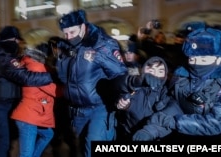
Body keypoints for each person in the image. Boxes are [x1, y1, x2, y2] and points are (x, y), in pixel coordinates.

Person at [57, 9, 156, 157]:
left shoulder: (102, 44)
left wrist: (98, 57)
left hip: (100, 108)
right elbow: (64, 78)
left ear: (83, 27)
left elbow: (120, 72)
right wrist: (61, 59)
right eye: (65, 34)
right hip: (78, 111)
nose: (68, 37)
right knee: (79, 150)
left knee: (93, 148)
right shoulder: (69, 48)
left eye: (72, 32)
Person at [134, 27, 221, 142]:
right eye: (192, 59)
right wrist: (152, 129)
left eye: (203, 60)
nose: (196, 64)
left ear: (219, 60)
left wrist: (176, 122)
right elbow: (175, 104)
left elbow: (218, 122)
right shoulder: (182, 76)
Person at [0, 26, 53, 157]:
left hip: (8, 104)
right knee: (3, 144)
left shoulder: (3, 55)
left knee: (10, 142)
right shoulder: (2, 57)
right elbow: (26, 77)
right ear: (12, 40)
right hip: (3, 105)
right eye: (18, 41)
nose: (19, 44)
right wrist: (53, 76)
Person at [10, 44, 62, 157]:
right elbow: (55, 91)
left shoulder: (29, 63)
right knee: (26, 154)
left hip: (31, 113)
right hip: (29, 116)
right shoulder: (38, 68)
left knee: (47, 134)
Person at [115, 56, 183, 141]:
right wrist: (124, 105)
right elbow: (118, 80)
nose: (155, 74)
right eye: (151, 70)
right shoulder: (135, 83)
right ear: (143, 70)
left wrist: (150, 132)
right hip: (128, 134)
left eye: (160, 71)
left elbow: (173, 112)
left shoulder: (168, 93)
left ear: (165, 75)